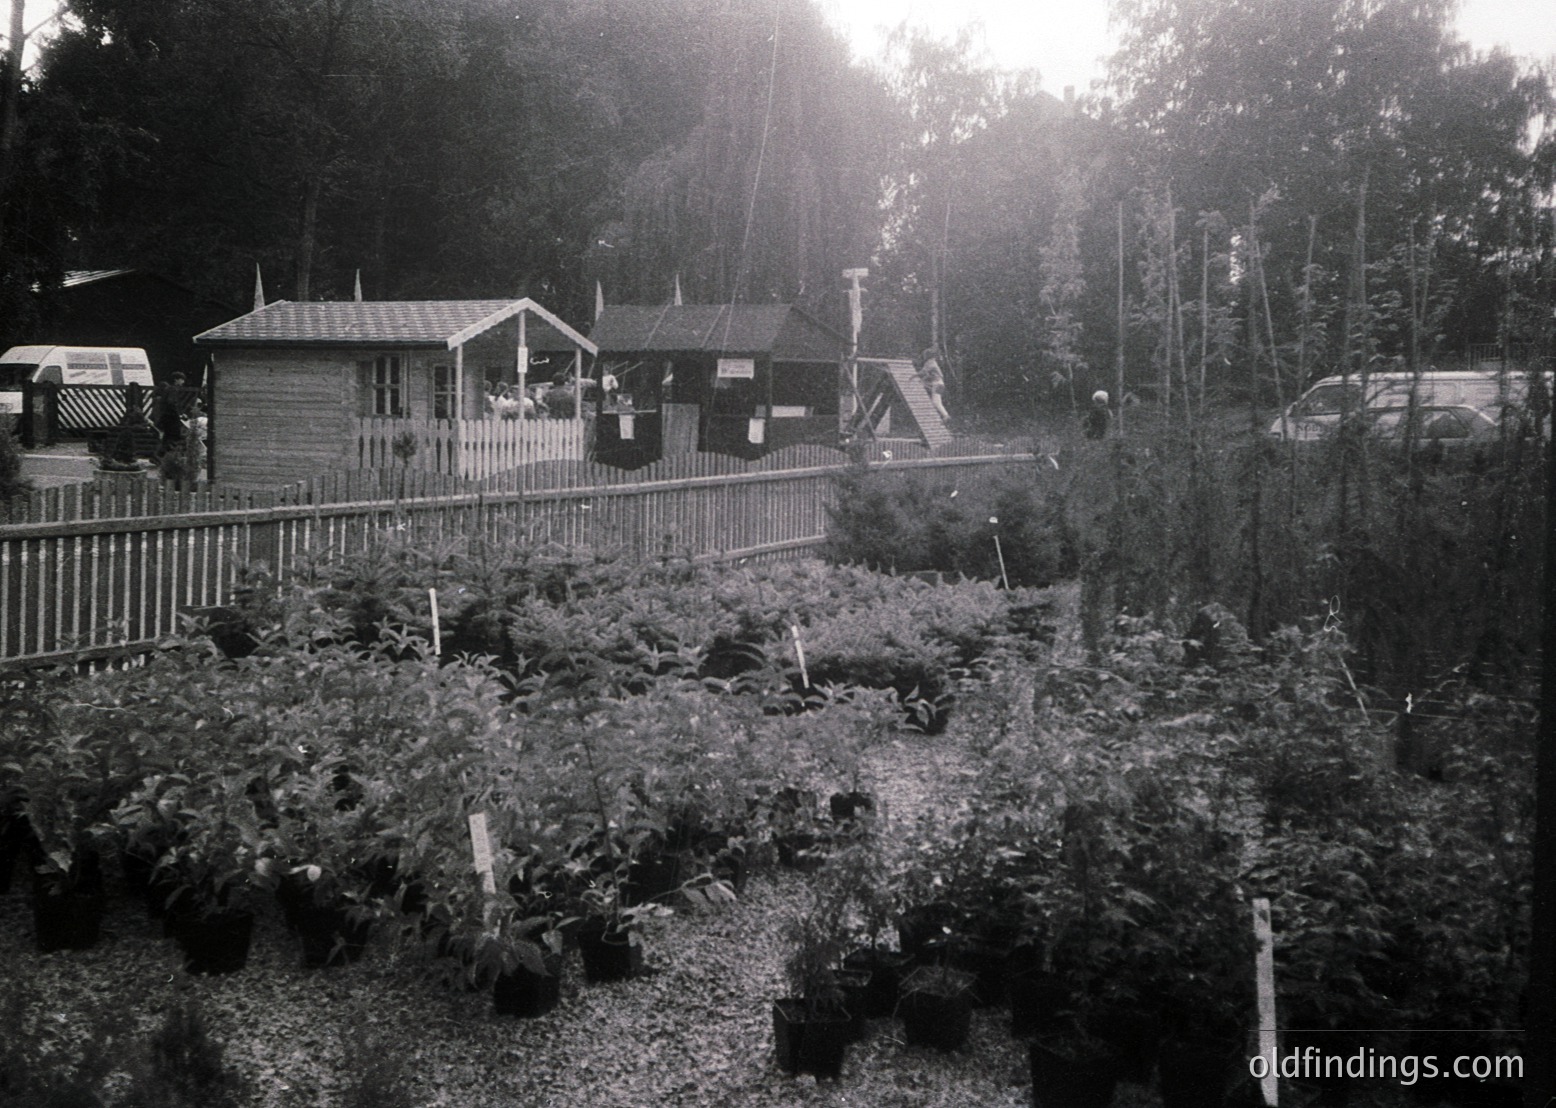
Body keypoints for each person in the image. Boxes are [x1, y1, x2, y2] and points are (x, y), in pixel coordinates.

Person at [919, 348, 950, 422]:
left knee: (936, 402)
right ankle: (936, 417)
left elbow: (923, 372)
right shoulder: (934, 362)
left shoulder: (929, 363)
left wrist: (913, 375)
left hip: (936, 384)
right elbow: (928, 375)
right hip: (940, 383)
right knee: (935, 402)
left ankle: (946, 415)